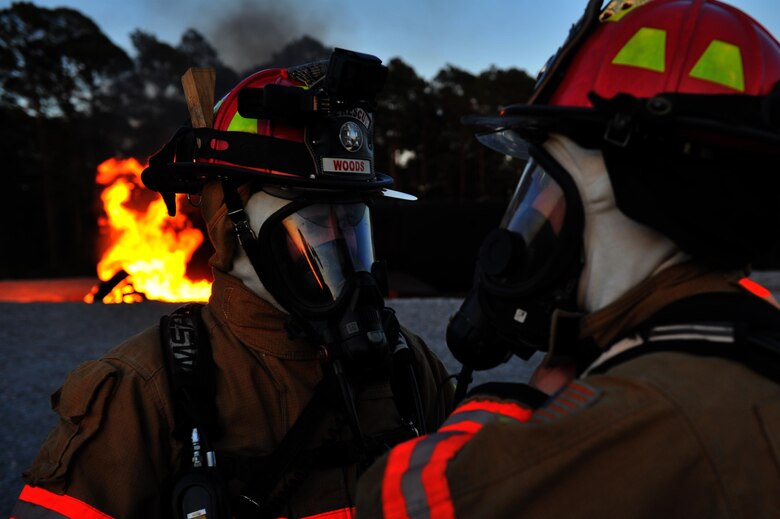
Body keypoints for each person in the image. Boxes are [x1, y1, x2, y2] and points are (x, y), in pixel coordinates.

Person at [355, 0, 780, 517]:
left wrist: (524, 405)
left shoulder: (628, 421)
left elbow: (392, 503)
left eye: (545, 185)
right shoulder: (753, 343)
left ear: (619, 193)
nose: (533, 217)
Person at [12, 49, 453, 519]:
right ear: (230, 230)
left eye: (351, 224)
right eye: (311, 224)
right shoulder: (142, 394)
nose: (339, 247)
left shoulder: (408, 366)